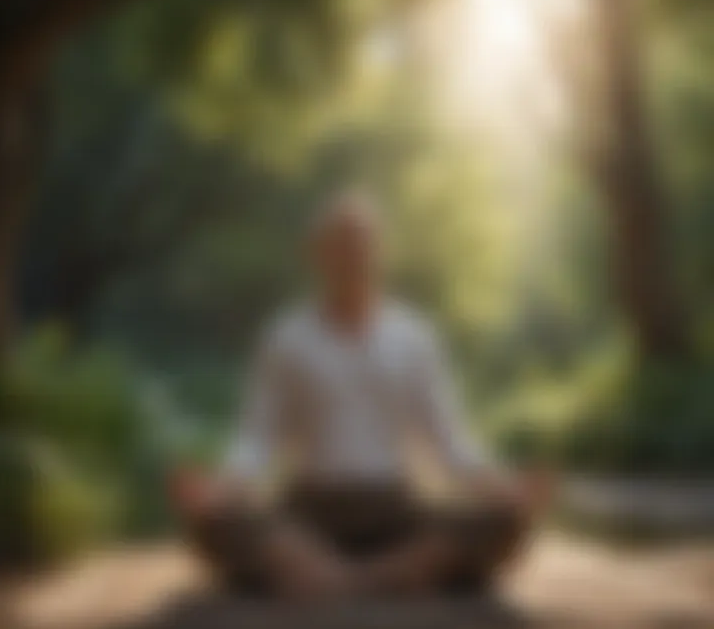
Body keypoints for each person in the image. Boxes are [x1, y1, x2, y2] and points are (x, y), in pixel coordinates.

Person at [172, 190, 551, 600]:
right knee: (214, 523)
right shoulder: (285, 337)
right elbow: (256, 441)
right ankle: (379, 575)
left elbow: (449, 441)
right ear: (316, 254)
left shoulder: (414, 336)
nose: (351, 256)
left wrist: (502, 486)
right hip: (310, 511)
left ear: (381, 252)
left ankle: (338, 578)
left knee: (507, 520)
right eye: (339, 244)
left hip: (395, 508)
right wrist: (219, 490)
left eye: (361, 244)